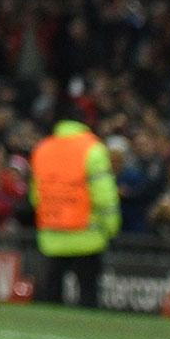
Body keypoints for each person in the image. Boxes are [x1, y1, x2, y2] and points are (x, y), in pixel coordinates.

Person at [30, 117, 120, 307]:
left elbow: (36, 195)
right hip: (87, 236)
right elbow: (104, 195)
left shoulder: (42, 149)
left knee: (51, 297)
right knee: (88, 296)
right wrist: (111, 228)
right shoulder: (92, 148)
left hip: (52, 236)